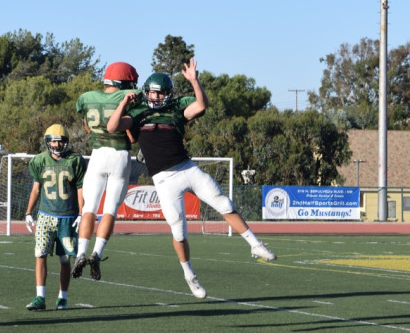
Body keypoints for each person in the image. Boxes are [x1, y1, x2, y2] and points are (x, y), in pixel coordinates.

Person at [106, 59, 276, 299]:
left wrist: (195, 81)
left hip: (187, 168)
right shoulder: (138, 112)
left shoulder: (176, 109)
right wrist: (124, 102)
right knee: (179, 230)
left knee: (224, 203)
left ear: (168, 93)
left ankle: (255, 244)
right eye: (153, 92)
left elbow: (201, 105)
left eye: (161, 93)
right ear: (147, 92)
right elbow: (112, 127)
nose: (157, 97)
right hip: (164, 179)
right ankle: (189, 274)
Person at [71, 61, 140, 281]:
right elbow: (132, 136)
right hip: (119, 156)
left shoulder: (87, 98)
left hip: (97, 154)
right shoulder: (129, 96)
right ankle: (96, 254)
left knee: (89, 209)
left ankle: (80, 253)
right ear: (127, 82)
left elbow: (87, 127)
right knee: (109, 210)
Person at [25, 124, 86, 311]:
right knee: (40, 254)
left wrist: (82, 213)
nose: (57, 144)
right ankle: (40, 297)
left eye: (60, 141)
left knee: (65, 259)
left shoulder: (75, 160)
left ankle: (62, 297)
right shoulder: (39, 161)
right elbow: (36, 189)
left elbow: (81, 189)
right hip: (45, 215)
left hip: (68, 217)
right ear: (47, 142)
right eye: (53, 141)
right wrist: (28, 212)